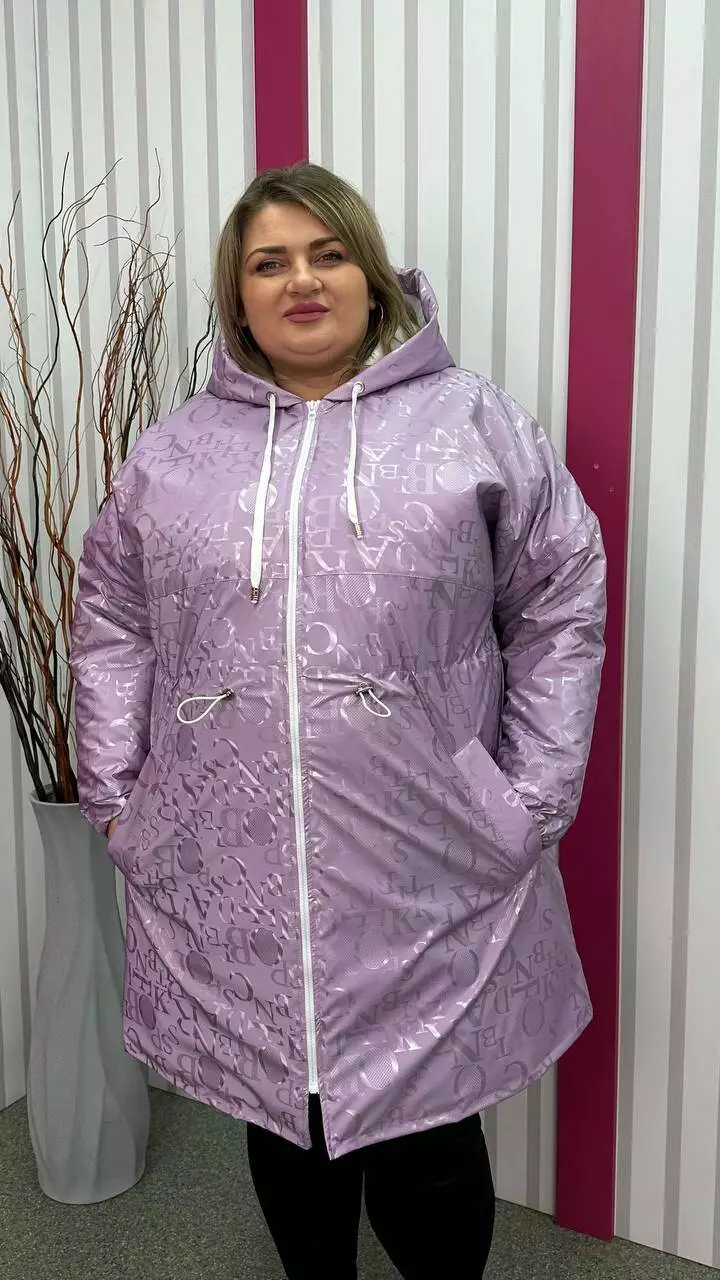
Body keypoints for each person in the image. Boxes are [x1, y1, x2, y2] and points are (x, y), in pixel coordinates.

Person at [70, 163, 606, 1279]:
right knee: (284, 1114)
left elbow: (559, 599)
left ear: (371, 273)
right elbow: (112, 617)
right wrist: (116, 792)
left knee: (427, 1125)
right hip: (233, 855)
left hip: (428, 849)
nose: (301, 281)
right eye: (269, 262)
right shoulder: (174, 454)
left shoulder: (472, 424)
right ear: (239, 295)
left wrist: (529, 794)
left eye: (327, 253)